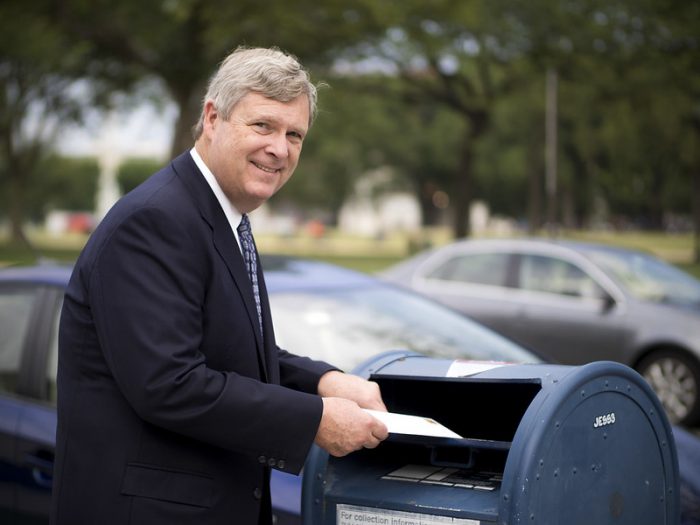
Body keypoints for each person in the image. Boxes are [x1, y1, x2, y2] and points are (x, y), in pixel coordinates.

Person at [51, 46, 388, 525]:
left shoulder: (224, 217)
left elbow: (226, 352)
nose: (280, 148)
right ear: (213, 118)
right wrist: (315, 419)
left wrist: (323, 381)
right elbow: (170, 383)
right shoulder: (155, 221)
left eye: (295, 134)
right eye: (263, 126)